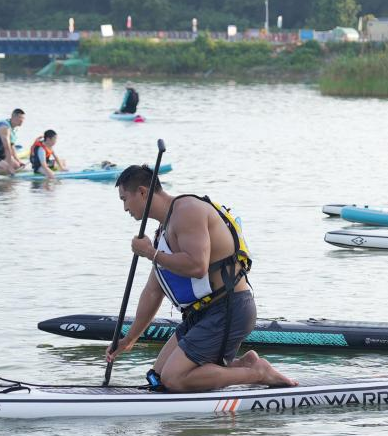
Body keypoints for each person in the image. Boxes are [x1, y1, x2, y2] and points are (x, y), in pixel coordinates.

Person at [105, 165, 296, 392]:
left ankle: (257, 373)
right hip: (201, 314)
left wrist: (150, 253)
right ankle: (246, 364)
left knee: (174, 379)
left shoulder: (187, 210)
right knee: (158, 378)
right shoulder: (162, 232)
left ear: (143, 192)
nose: (125, 207)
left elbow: (197, 265)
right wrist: (130, 339)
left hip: (228, 309)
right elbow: (154, 291)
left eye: (125, 199)